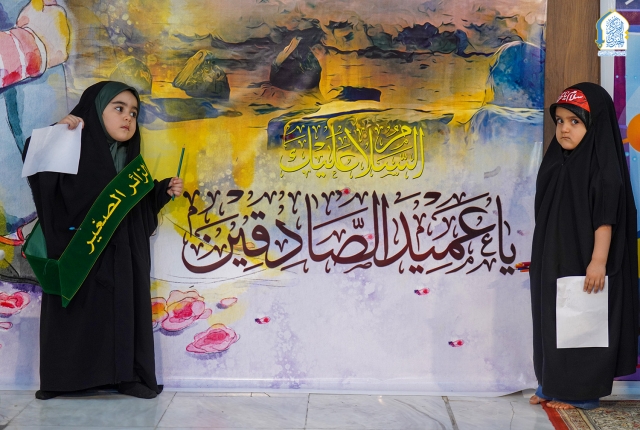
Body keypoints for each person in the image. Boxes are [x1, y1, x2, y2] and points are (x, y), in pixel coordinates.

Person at [22, 81, 183, 400]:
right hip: (79, 255)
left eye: (133, 113)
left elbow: (134, 209)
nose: (128, 118)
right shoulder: (70, 147)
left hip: (123, 259)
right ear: (95, 110)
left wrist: (159, 192)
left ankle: (126, 376)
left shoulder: (129, 161)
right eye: (119, 108)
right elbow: (41, 175)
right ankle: (65, 380)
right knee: (79, 314)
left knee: (121, 313)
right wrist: (55, 134)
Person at [529, 82, 638, 409]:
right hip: (553, 258)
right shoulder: (557, 161)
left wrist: (598, 261)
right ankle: (550, 382)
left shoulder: (602, 170)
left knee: (581, 323)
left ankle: (581, 392)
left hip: (584, 259)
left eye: (575, 121)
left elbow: (605, 220)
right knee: (549, 318)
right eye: (560, 121)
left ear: (595, 125)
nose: (565, 128)